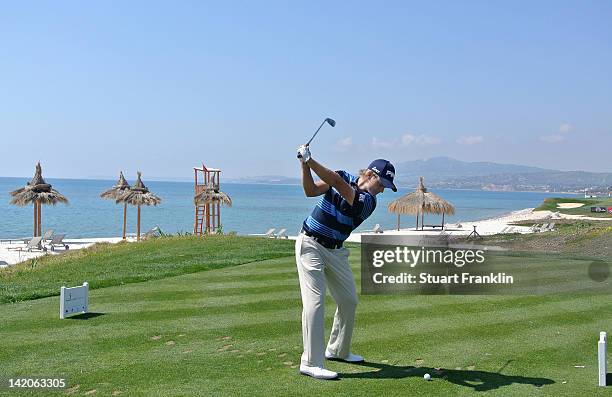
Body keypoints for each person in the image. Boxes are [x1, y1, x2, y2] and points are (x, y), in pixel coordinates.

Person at [295, 144, 397, 380]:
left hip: (336, 251)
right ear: (369, 175)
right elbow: (310, 190)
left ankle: (337, 350)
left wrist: (311, 160)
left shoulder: (368, 202)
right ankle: (310, 362)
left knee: (349, 301)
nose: (381, 191)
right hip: (310, 243)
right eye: (381, 184)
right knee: (315, 303)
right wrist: (304, 164)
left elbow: (340, 187)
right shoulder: (341, 176)